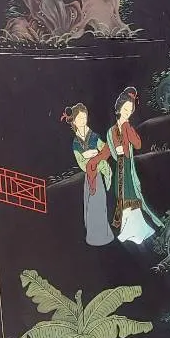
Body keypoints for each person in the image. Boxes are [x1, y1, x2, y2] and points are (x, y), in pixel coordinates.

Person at [87, 86, 161, 244]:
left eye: (130, 110)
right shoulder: (111, 131)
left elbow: (138, 144)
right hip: (119, 171)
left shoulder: (128, 127)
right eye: (125, 109)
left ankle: (136, 232)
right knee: (122, 198)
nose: (128, 112)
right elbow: (106, 151)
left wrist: (127, 128)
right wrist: (95, 160)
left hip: (128, 169)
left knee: (131, 197)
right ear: (119, 108)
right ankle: (128, 231)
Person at [63, 102, 113, 246]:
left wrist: (95, 156)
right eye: (80, 118)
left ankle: (103, 235)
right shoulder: (76, 142)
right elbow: (80, 162)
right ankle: (92, 236)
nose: (83, 121)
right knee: (90, 206)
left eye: (84, 117)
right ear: (74, 121)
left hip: (97, 173)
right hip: (89, 176)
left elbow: (106, 149)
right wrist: (88, 159)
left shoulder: (94, 136)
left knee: (100, 204)